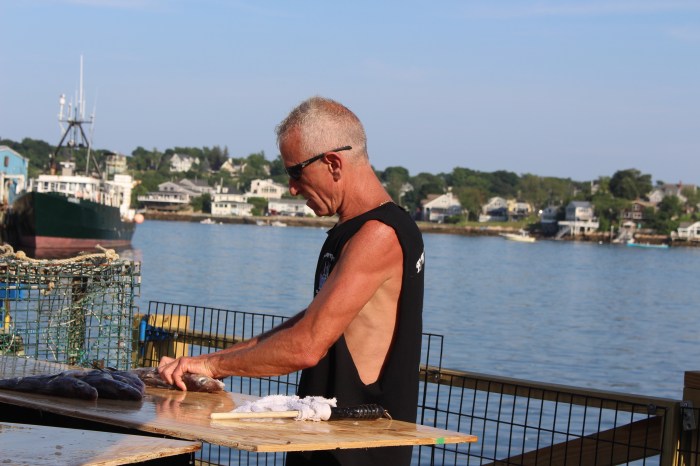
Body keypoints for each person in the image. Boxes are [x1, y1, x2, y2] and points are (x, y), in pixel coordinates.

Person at [158, 96, 425, 466]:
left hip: (357, 451)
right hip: (324, 440)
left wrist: (213, 367)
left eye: (296, 172)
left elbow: (306, 345)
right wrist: (203, 361)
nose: (292, 188)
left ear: (333, 163)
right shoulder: (351, 232)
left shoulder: (379, 234)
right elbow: (311, 322)